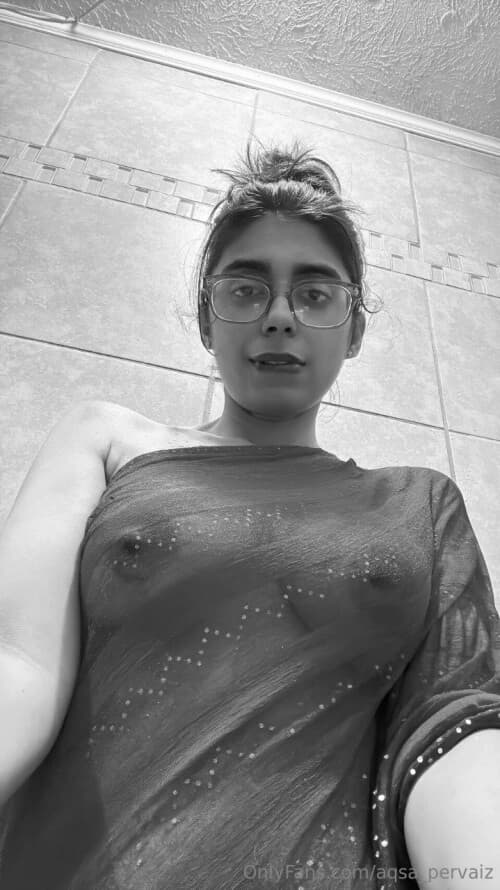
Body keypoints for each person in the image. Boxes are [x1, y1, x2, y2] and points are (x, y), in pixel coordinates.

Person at [0, 138, 499, 890]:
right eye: (245, 289)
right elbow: (19, 661)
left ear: (355, 331)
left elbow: (455, 725)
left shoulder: (421, 505)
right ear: (207, 321)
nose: (279, 317)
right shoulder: (106, 440)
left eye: (316, 294)